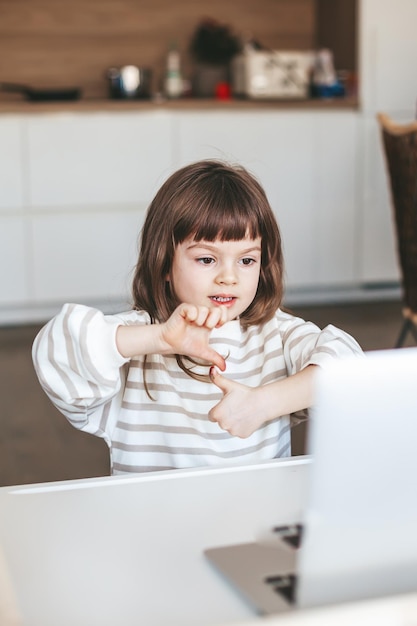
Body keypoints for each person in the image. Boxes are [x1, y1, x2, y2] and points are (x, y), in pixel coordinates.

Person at [32, 160, 363, 474]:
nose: (229, 277)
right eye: (207, 259)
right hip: (153, 527)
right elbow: (57, 351)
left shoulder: (276, 335)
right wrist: (158, 338)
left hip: (252, 524)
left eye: (246, 261)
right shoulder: (140, 342)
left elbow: (353, 373)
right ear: (163, 263)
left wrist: (264, 403)